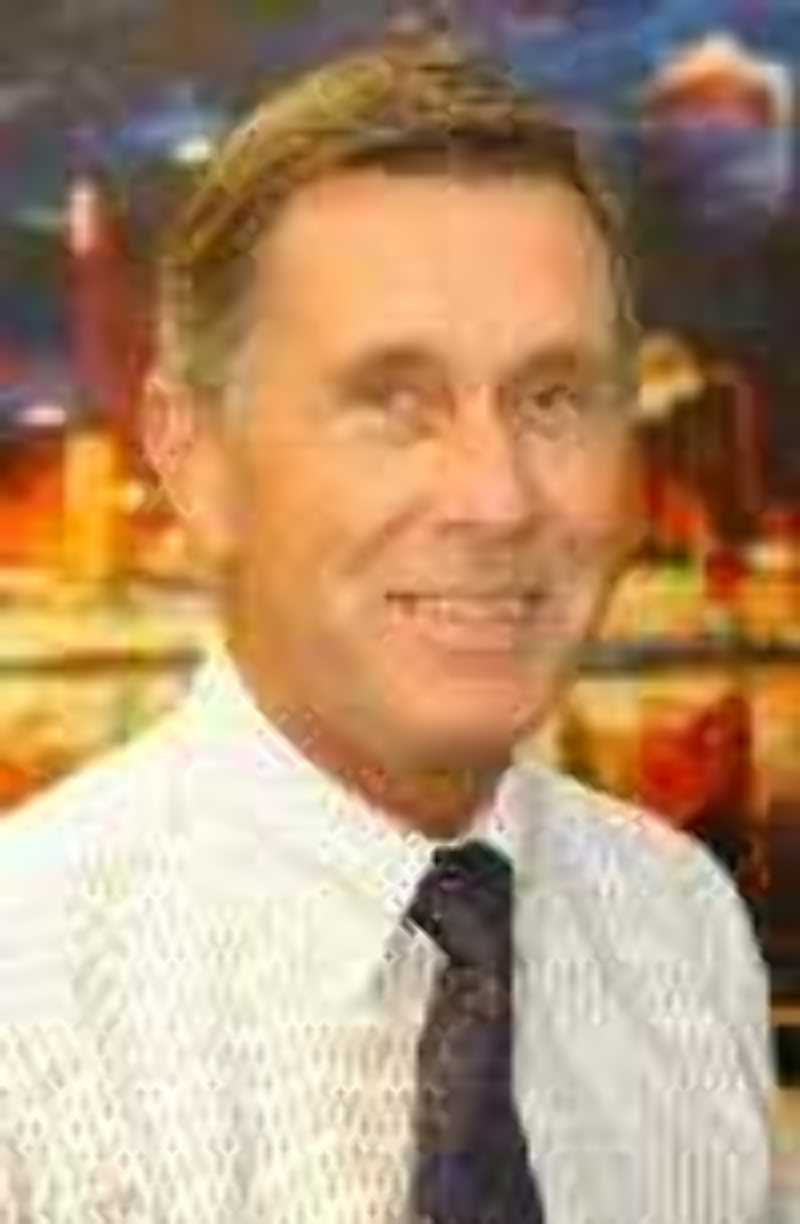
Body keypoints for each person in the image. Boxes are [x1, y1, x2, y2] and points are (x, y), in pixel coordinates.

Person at [0, 30, 771, 1223]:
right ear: (193, 458)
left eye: (552, 397)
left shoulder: (681, 926)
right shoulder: (26, 998)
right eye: (392, 403)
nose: (496, 498)